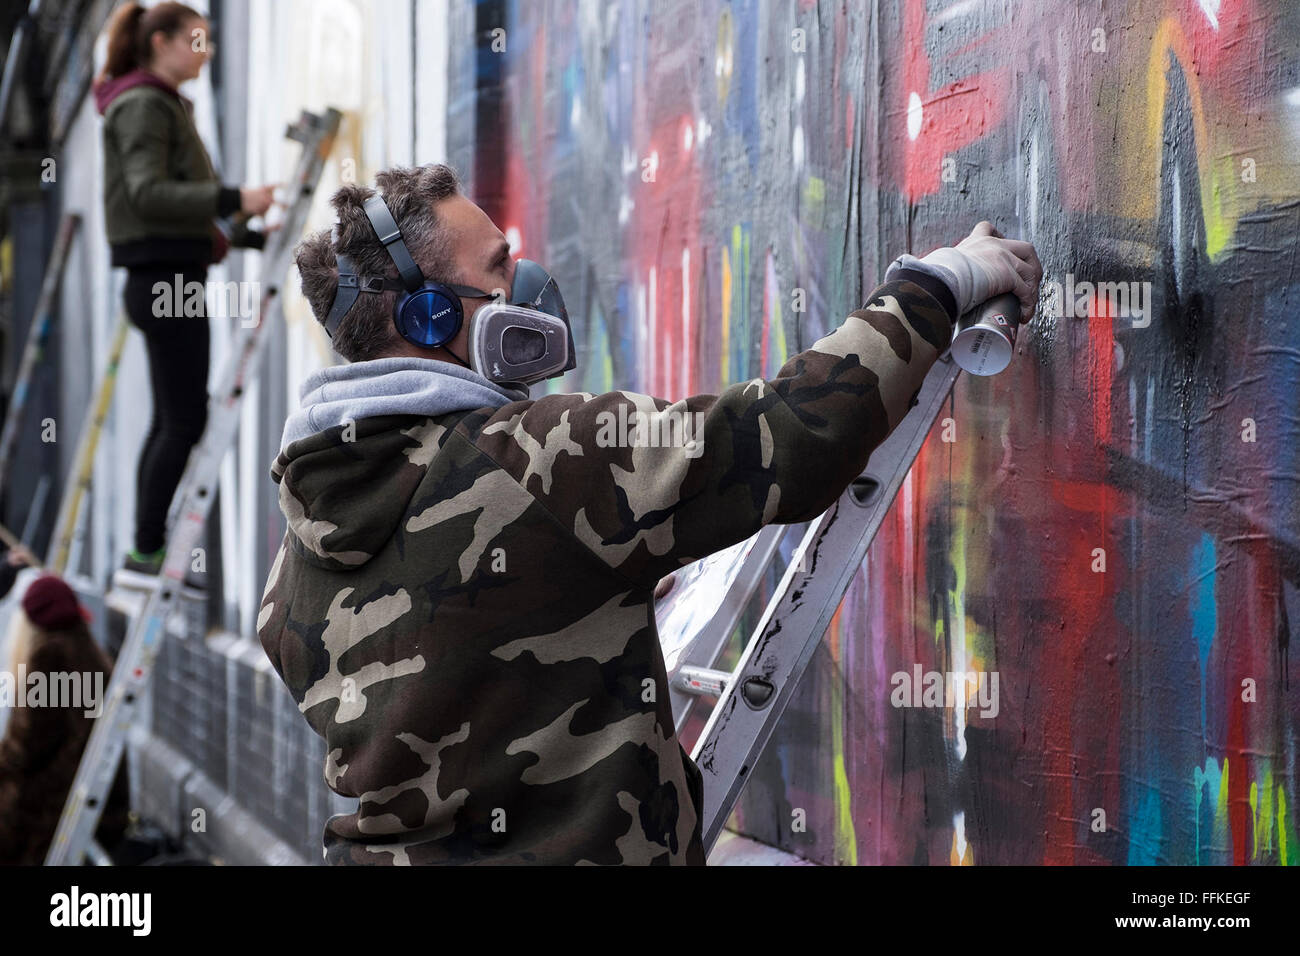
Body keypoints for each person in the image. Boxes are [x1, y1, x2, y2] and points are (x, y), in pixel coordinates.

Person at [258, 163, 1042, 865]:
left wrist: (567, 593)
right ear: (429, 319)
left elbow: (453, 656)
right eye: (497, 269)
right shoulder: (540, 459)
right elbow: (797, 432)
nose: (526, 283)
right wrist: (940, 282)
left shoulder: (294, 560)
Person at [92, 1, 279, 579]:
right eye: (197, 41)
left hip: (168, 275)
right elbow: (148, 196)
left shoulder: (156, 102)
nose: (207, 52)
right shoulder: (145, 105)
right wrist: (232, 200)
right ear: (162, 43)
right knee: (184, 421)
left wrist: (242, 234)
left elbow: (174, 209)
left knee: (172, 419)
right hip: (165, 281)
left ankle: (144, 549)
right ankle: (147, 551)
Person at [0, 574, 130, 864]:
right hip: (93, 802)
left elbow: (26, 746)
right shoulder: (86, 652)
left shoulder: (50, 658)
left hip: (51, 806)